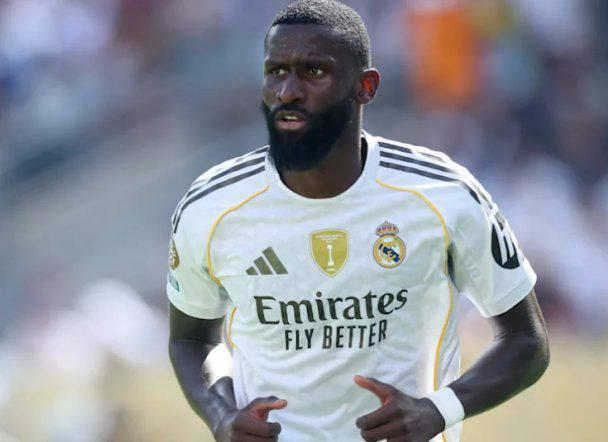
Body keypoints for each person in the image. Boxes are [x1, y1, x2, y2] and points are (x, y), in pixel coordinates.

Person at [167, 1, 549, 441]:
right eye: (276, 71)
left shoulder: (443, 194)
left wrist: (437, 410)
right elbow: (192, 339)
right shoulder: (211, 206)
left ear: (366, 86)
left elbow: (527, 340)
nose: (288, 91)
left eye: (313, 72)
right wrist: (220, 415)